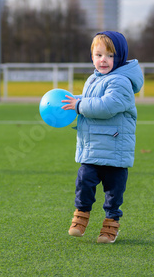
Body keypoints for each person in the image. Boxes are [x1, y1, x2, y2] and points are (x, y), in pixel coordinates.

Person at [61, 31, 144, 244]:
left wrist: (79, 105)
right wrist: (73, 100)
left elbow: (107, 106)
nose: (103, 60)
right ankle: (81, 216)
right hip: (92, 148)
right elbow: (91, 99)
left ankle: (110, 226)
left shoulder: (121, 82)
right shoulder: (93, 79)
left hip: (115, 149)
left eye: (109, 55)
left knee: (113, 192)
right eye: (98, 55)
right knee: (84, 181)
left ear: (120, 58)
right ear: (92, 57)